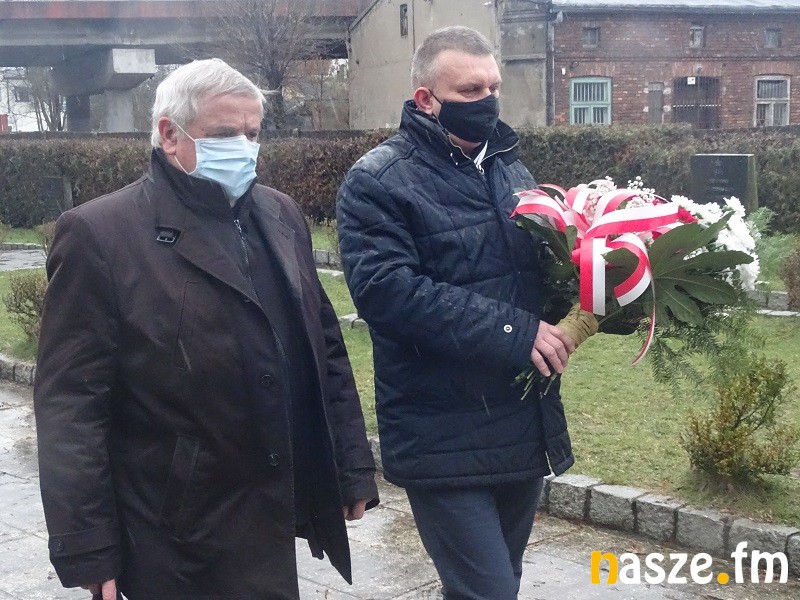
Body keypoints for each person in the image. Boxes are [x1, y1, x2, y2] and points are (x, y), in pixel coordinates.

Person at [34, 58, 379, 600]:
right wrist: (88, 546)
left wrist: (349, 466)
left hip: (271, 507)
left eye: (252, 134)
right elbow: (71, 405)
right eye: (223, 135)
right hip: (173, 529)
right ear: (170, 134)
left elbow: (325, 345)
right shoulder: (101, 234)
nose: (243, 148)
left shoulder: (280, 215)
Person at [336, 26, 576, 599]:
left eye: (493, 87)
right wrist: (516, 332)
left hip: (519, 420)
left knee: (497, 585)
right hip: (440, 429)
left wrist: (601, 287)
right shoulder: (378, 180)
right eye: (470, 91)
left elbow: (532, 278)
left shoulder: (510, 169)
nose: (487, 101)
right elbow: (388, 293)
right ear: (426, 99)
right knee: (487, 592)